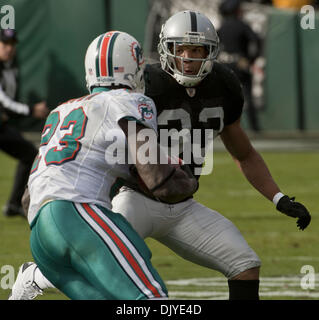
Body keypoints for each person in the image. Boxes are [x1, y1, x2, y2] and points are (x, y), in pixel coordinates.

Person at [10, 11, 311, 301]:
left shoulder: (224, 85)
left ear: (212, 52)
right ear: (164, 50)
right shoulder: (141, 87)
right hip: (134, 198)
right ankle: (37, 276)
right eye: (182, 49)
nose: (189, 59)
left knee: (244, 262)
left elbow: (244, 153)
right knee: (101, 261)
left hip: (182, 205)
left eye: (198, 50)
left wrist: (278, 197)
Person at [9, 30, 198, 300]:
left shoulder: (61, 111)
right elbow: (160, 181)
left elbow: (29, 198)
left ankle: (31, 277)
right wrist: (186, 179)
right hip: (76, 214)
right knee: (150, 299)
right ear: (134, 69)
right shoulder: (131, 102)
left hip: (39, 232)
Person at [0, 29, 49, 217]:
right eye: (4, 44)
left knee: (29, 155)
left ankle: (14, 204)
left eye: (12, 45)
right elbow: (4, 101)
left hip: (3, 127)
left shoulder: (12, 66)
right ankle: (13, 204)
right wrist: (31, 110)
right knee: (29, 154)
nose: (9, 49)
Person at [217, 0, 262, 132]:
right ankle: (255, 129)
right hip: (240, 66)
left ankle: (223, 128)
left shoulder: (221, 28)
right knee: (247, 98)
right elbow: (256, 41)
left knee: (224, 99)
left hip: (225, 66)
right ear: (236, 11)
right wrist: (251, 59)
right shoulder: (242, 25)